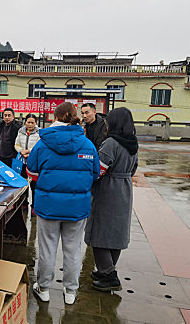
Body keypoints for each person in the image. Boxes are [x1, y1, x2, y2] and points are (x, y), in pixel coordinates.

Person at [27, 102, 99, 305]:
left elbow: (32, 172)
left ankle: (44, 288)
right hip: (77, 208)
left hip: (48, 206)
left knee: (47, 248)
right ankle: (70, 292)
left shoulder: (42, 143)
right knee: (73, 249)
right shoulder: (87, 144)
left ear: (54, 118)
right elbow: (94, 174)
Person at [84, 107, 138, 292]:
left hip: (108, 191)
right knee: (116, 232)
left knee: (99, 232)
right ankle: (106, 270)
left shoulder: (110, 143)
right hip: (124, 189)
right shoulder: (132, 144)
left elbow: (98, 171)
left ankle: (109, 275)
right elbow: (133, 169)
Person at [14, 113, 40, 213]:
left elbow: (38, 146)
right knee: (23, 184)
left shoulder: (39, 133)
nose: (30, 125)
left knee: (34, 186)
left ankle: (34, 206)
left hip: (33, 163)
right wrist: (21, 151)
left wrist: (28, 151)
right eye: (28, 122)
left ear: (35, 123)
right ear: (25, 122)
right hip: (22, 162)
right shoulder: (21, 131)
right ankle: (24, 204)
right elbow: (16, 144)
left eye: (32, 122)